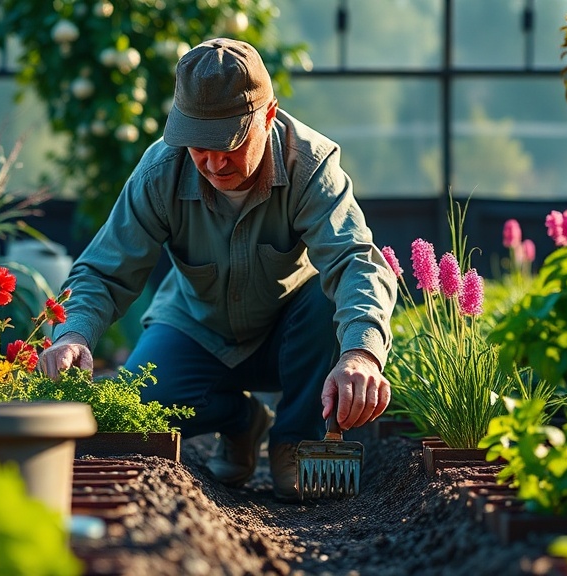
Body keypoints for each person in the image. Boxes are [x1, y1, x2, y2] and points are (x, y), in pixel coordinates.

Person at [38, 38, 396, 501]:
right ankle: (242, 421)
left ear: (268, 116)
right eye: (198, 145)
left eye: (229, 143)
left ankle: (295, 440)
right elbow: (102, 271)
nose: (213, 162)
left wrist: (361, 354)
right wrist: (72, 335)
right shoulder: (160, 172)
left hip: (292, 331)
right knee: (141, 405)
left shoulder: (310, 166)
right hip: (195, 325)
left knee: (328, 299)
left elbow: (355, 262)